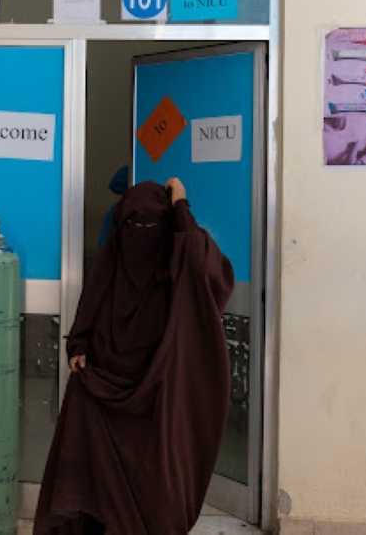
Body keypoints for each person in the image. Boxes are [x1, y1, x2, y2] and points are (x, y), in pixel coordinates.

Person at [34, 177, 235, 534]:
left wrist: (181, 207)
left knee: (156, 484)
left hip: (157, 383)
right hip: (105, 381)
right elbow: (93, 297)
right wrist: (78, 343)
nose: (141, 234)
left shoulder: (178, 268)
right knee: (89, 456)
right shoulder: (112, 265)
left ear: (167, 228)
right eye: (133, 225)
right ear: (121, 227)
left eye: (152, 226)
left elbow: (205, 266)